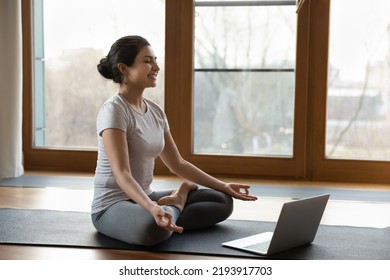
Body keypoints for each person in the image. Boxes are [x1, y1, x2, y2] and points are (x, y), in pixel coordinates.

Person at [91, 35, 257, 246]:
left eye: (155, 59)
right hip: (112, 206)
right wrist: (152, 208)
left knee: (222, 201)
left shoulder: (156, 111)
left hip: (146, 197)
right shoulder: (114, 111)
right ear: (124, 68)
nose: (156, 67)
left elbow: (177, 163)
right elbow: (122, 174)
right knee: (152, 229)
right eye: (147, 61)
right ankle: (176, 202)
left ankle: (168, 212)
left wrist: (224, 186)